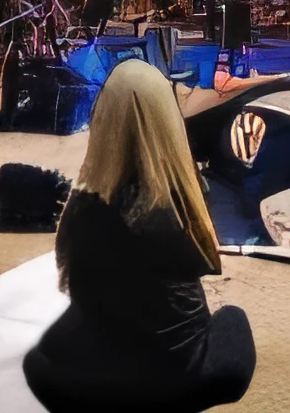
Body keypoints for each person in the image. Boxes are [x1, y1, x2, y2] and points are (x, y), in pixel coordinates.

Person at [21, 62, 259, 413]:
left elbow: (72, 283)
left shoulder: (81, 208)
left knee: (55, 341)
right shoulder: (180, 203)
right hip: (176, 380)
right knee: (233, 317)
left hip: (94, 376)